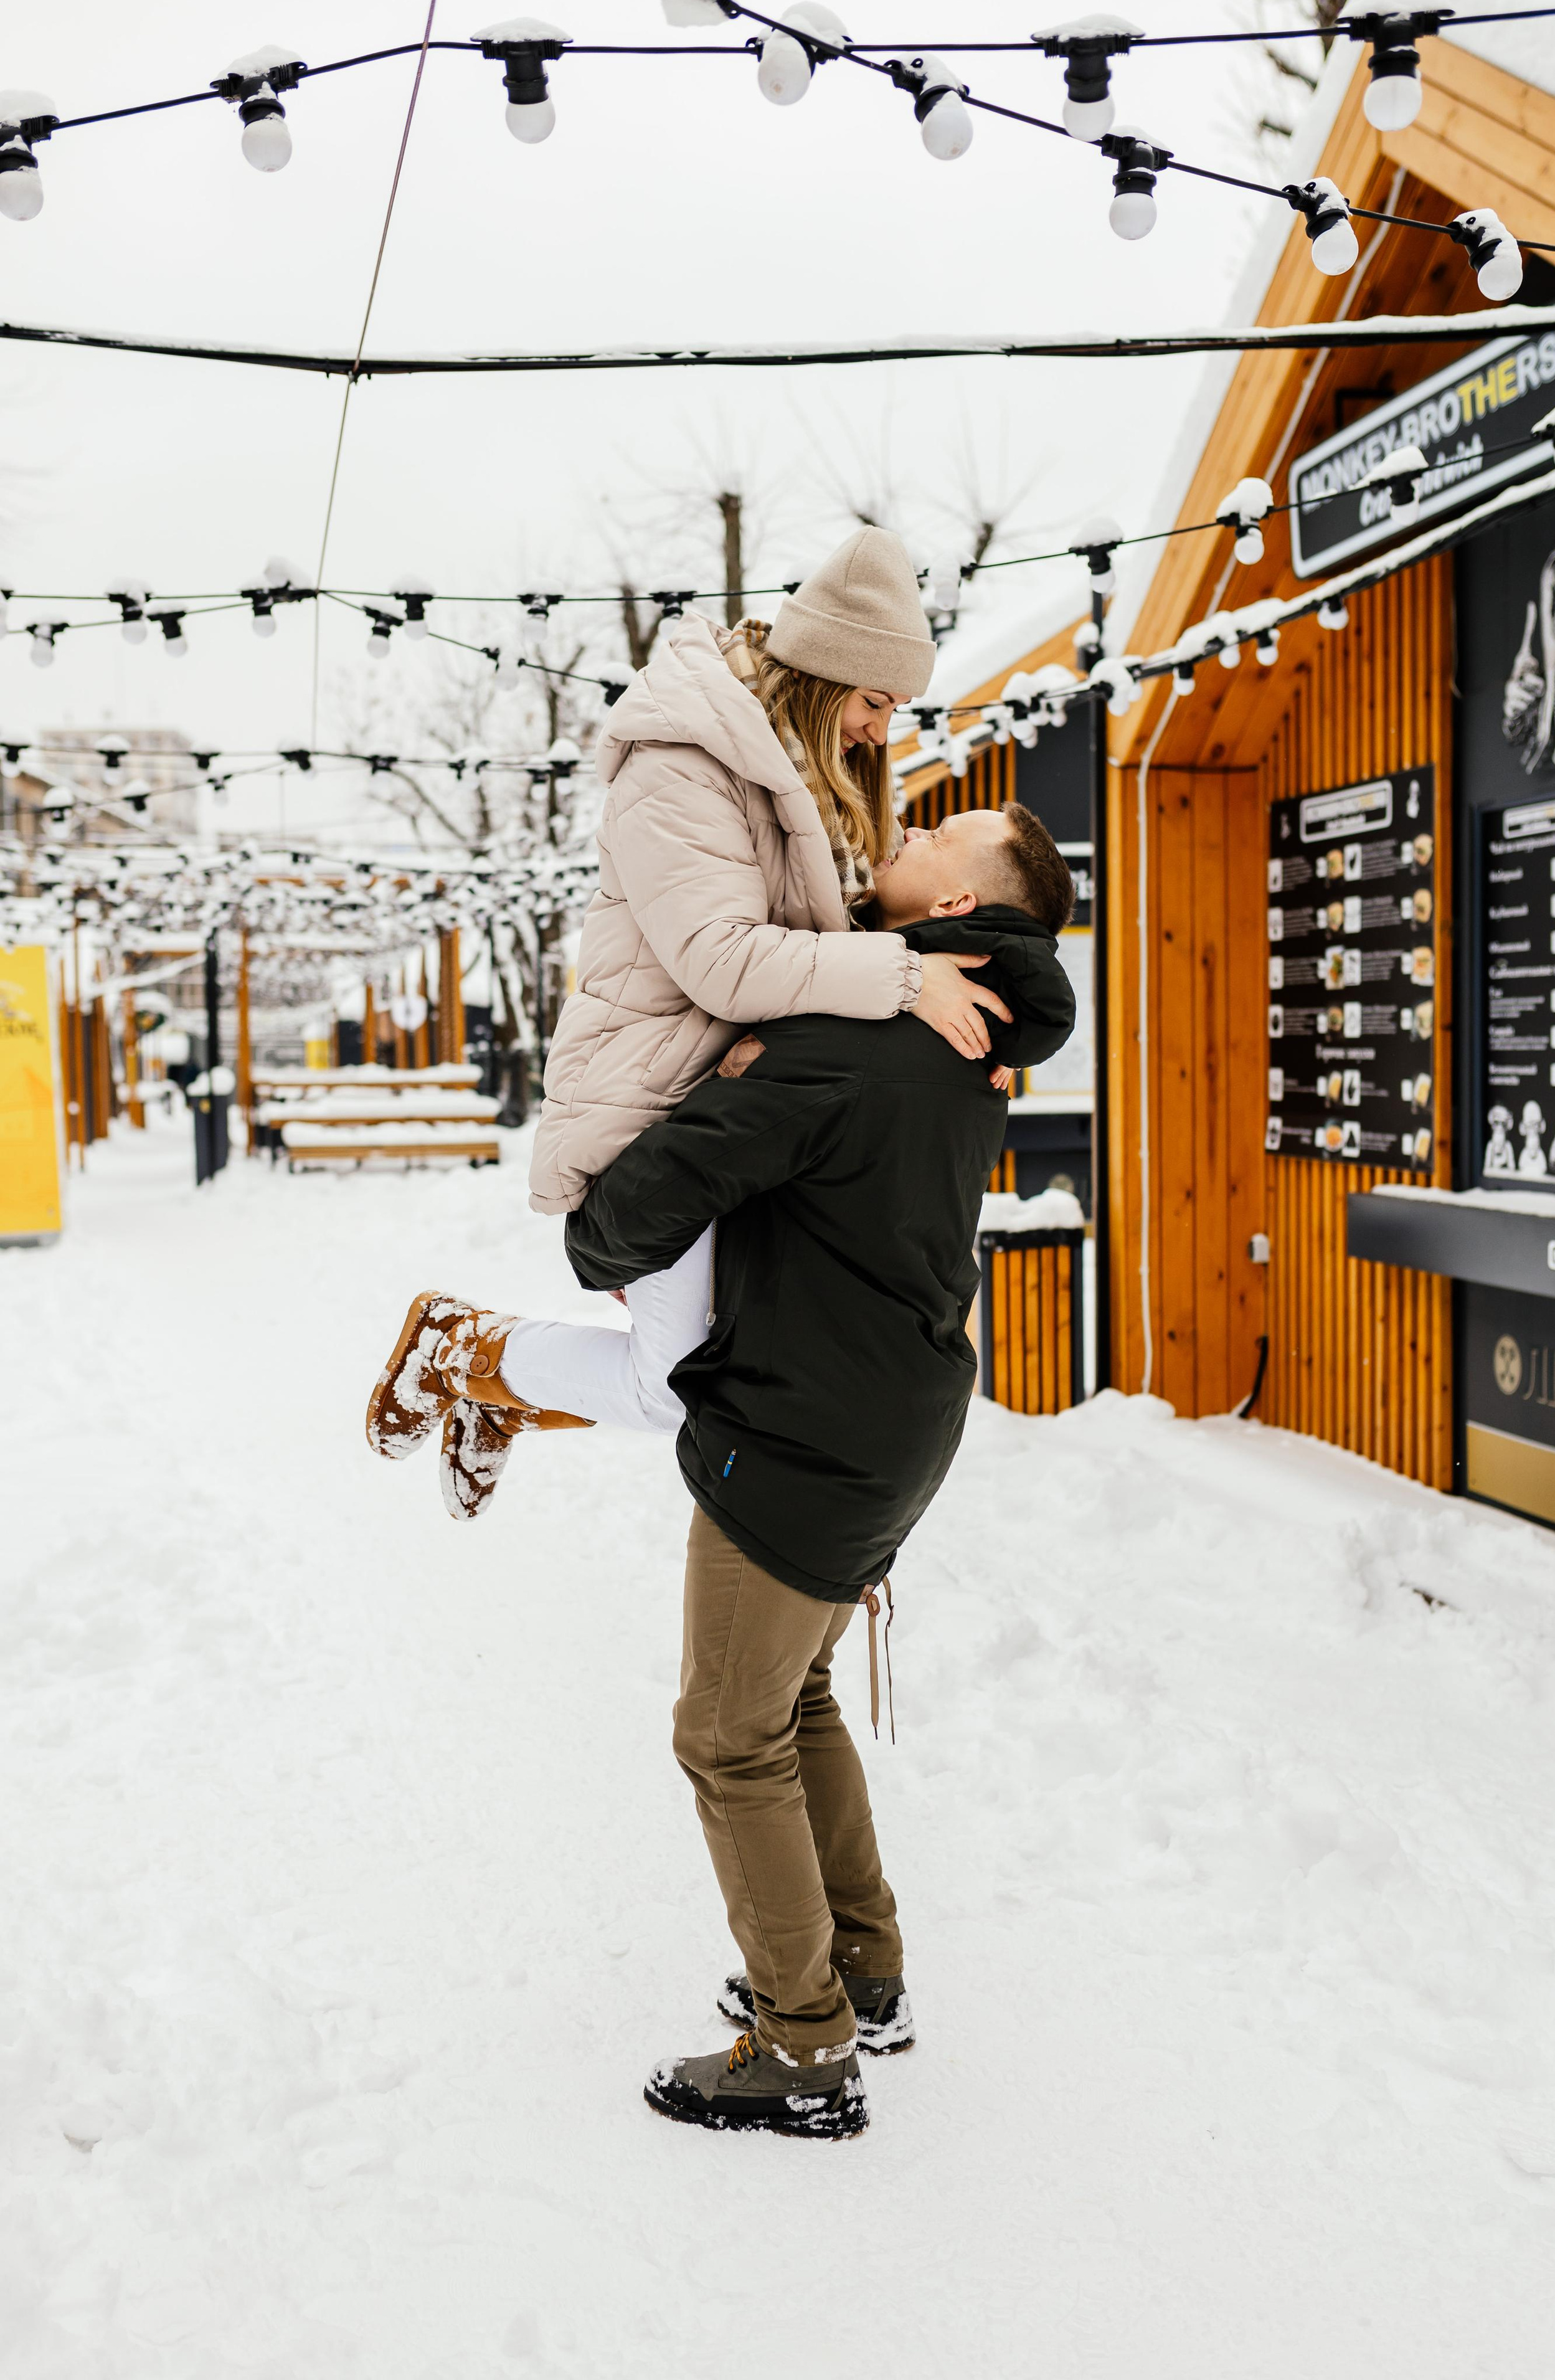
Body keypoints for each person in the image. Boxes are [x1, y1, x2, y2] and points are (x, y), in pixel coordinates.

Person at [372, 800, 1076, 2138]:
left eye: (948, 830)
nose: (913, 825)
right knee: (795, 1697)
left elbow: (639, 1208)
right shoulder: (969, 1040)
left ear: (956, 913)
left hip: (805, 1431)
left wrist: (636, 1172)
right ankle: (863, 1978)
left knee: (724, 1734)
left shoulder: (861, 1041)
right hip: (889, 1416)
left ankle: (802, 2047)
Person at [367, 527, 1016, 1512]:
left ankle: (497, 1389)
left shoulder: (805, 782)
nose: (885, 731)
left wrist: (969, 1042)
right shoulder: (682, 762)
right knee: (675, 1388)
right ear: (826, 674)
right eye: (877, 701)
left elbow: (840, 951)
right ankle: (462, 1347)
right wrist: (905, 982)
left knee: (712, 1370)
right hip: (658, 1114)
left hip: (732, 1118)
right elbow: (722, 959)